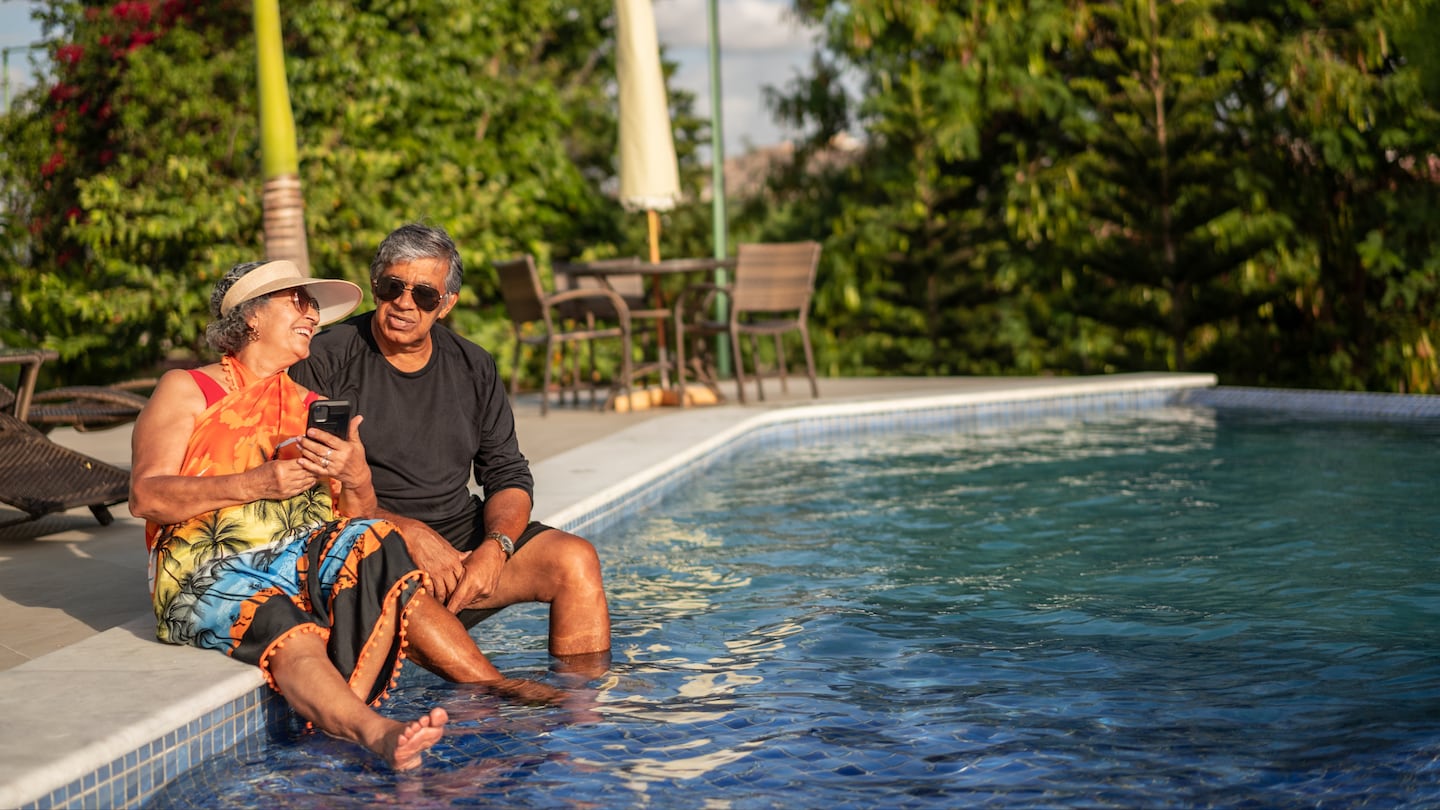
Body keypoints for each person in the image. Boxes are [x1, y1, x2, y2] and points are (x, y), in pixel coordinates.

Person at [130, 259, 556, 771]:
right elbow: (145, 496)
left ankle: (488, 687)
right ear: (251, 316)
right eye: (297, 302)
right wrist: (255, 483)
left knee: (377, 542)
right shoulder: (187, 388)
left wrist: (356, 477)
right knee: (285, 622)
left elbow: (354, 517)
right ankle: (377, 731)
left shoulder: (312, 404)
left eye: (313, 305)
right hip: (210, 566)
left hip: (298, 559)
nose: (312, 314)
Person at [288, 223, 611, 673]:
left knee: (575, 560)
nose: (405, 303)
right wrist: (405, 531)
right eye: (392, 287)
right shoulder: (326, 360)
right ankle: (500, 695)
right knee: (488, 692)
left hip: (462, 544)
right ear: (375, 286)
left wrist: (495, 547)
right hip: (371, 541)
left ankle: (583, 702)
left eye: (424, 294)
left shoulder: (473, 365)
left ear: (446, 304)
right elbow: (310, 492)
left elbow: (507, 473)